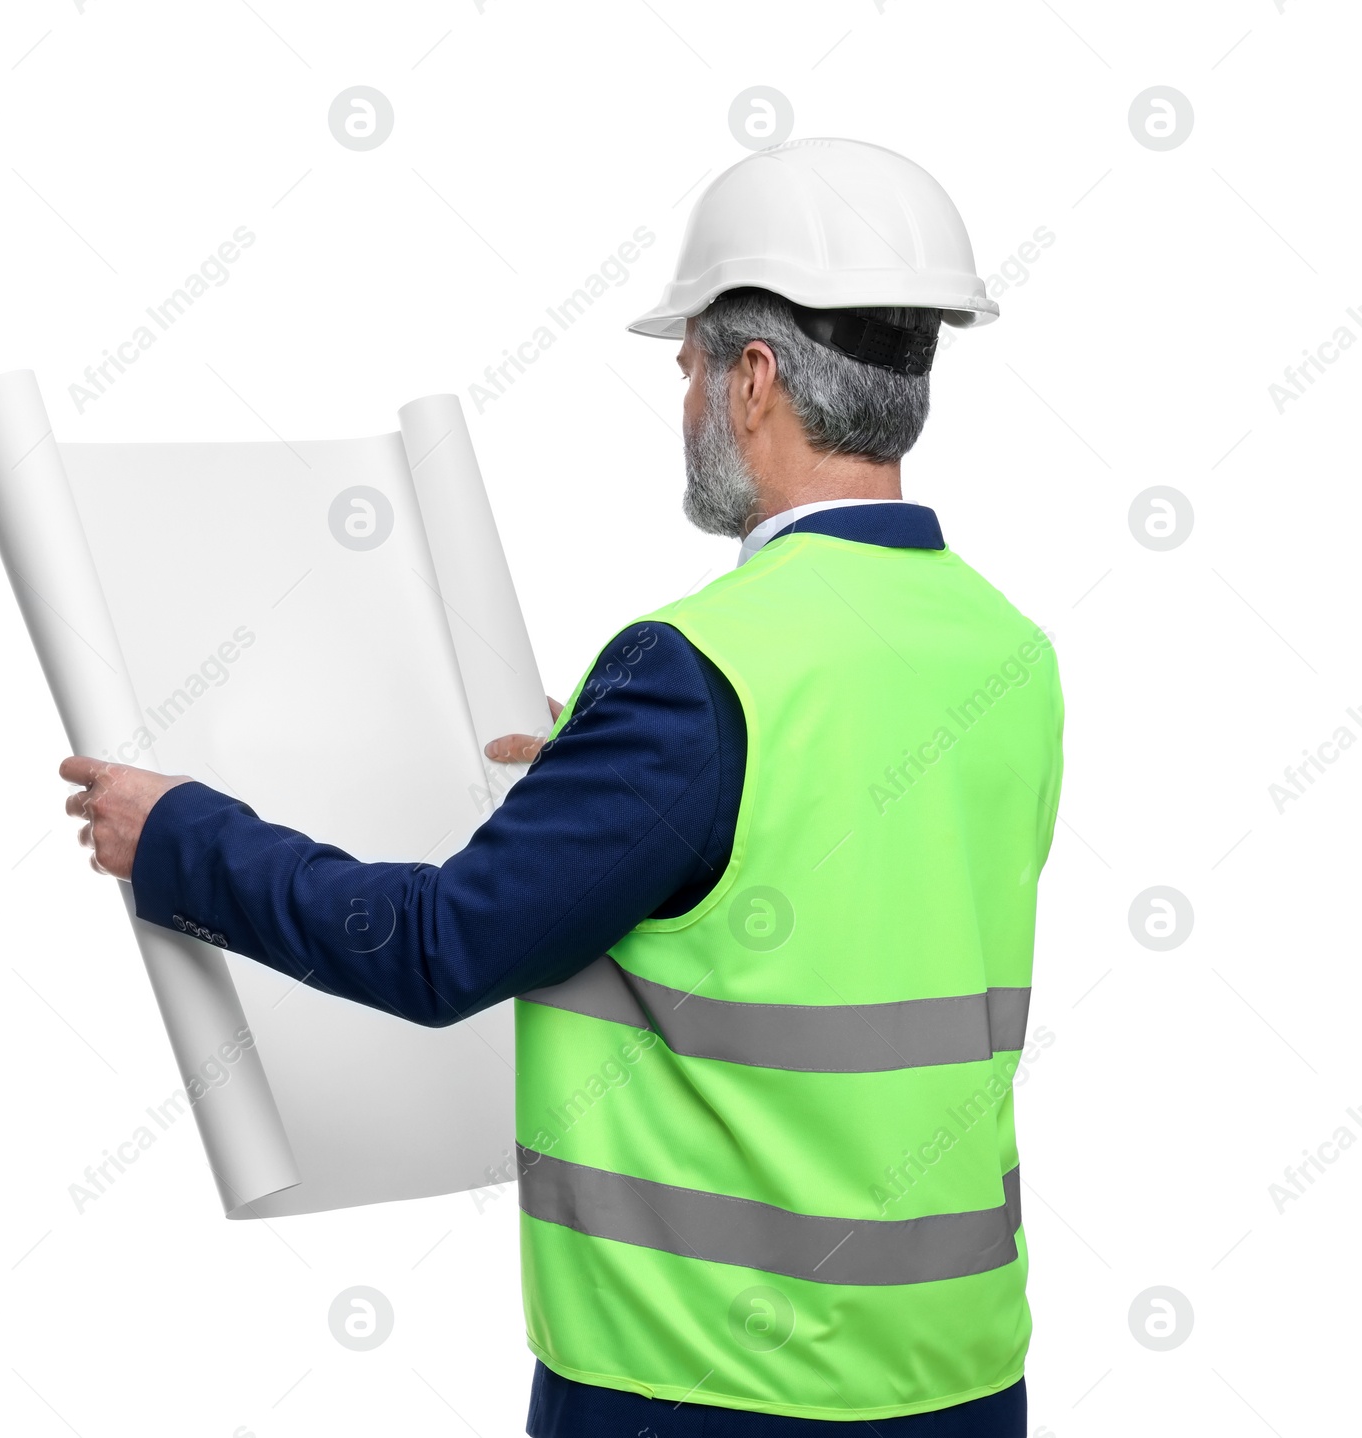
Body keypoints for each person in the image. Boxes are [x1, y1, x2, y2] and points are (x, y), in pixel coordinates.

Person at [61, 139, 1064, 1436]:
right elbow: (824, 866)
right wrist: (617, 785)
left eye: (692, 361)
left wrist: (181, 835)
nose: (688, 395)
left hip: (707, 1384)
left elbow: (438, 949)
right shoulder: (1003, 649)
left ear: (755, 378)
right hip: (960, 1379)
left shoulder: (699, 672)